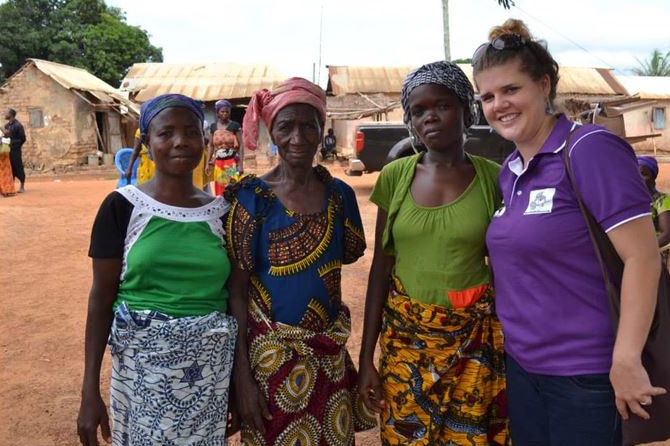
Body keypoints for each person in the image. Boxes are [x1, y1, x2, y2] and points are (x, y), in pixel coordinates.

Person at [472, 18, 665, 446]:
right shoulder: (510, 171)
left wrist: (627, 357)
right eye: (487, 96)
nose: (499, 104)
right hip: (524, 369)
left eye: (511, 90)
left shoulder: (589, 149)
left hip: (587, 375)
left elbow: (643, 257)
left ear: (544, 84)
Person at [358, 61, 508, 445]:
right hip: (405, 345)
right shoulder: (395, 176)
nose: (430, 118)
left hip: (474, 347)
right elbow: (381, 267)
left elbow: (508, 263)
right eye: (418, 111)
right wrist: (365, 360)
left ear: (465, 109)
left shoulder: (494, 178)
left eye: (441, 106)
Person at [76, 94, 237, 446]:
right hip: (140, 375)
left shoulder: (222, 212)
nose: (180, 141)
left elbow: (237, 300)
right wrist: (89, 391)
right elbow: (100, 300)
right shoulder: (123, 207)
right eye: (166, 133)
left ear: (204, 139)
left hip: (209, 377)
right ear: (147, 142)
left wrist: (240, 382)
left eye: (190, 132)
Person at [225, 77, 376, 446]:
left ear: (321, 128)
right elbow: (236, 294)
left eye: (308, 125)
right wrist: (242, 380)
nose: (298, 137)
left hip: (328, 356)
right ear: (271, 131)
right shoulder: (251, 199)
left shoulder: (339, 196)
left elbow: (347, 254)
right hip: (270, 361)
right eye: (285, 126)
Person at [206, 99, 243, 195]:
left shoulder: (235, 126)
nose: (225, 114)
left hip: (231, 162)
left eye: (227, 112)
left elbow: (241, 145)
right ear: (217, 112)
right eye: (222, 112)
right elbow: (210, 145)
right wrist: (207, 163)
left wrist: (241, 165)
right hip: (218, 163)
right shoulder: (213, 127)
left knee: (233, 187)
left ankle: (234, 208)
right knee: (220, 188)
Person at [638, 156, 670, 262]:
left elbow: (667, 234)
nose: (639, 178)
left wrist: (642, 251)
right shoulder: (630, 201)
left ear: (652, 178)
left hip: (654, 253)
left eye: (644, 174)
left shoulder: (661, 200)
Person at [4, 108, 26, 193]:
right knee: (9, 168)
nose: (5, 114)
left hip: (15, 149)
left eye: (6, 113)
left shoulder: (18, 125)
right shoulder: (6, 126)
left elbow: (23, 138)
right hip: (7, 150)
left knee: (18, 166)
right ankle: (11, 187)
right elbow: (5, 136)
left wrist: (17, 145)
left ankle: (22, 186)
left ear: (11, 115)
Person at [0, 128, 16, 196]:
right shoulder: (6, 138)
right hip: (5, 156)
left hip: (2, 156)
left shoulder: (3, 136)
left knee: (3, 174)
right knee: (7, 173)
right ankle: (8, 190)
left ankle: (4, 190)